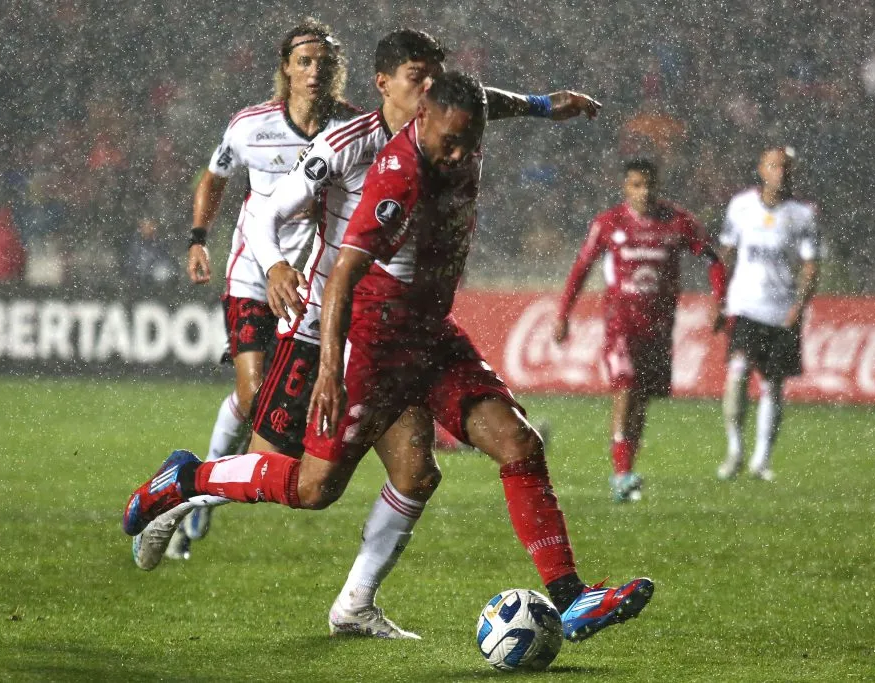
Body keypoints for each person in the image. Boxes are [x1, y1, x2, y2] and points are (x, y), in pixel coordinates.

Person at [124, 71, 653, 644]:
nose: (459, 154)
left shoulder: (461, 122)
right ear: (422, 117)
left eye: (469, 141)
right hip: (373, 345)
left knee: (516, 444)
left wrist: (546, 105)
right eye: (449, 141)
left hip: (430, 336)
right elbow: (344, 277)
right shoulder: (397, 178)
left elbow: (485, 100)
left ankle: (570, 598)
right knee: (313, 488)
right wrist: (329, 370)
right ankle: (187, 477)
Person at [177, 19, 358, 552]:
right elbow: (214, 177)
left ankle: (201, 488)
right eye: (304, 61)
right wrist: (197, 238)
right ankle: (202, 489)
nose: (314, 71)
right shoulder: (249, 127)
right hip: (254, 272)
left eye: (323, 62)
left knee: (281, 411)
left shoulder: (352, 127)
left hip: (312, 281)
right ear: (286, 68)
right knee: (255, 394)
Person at [554, 159, 725, 503]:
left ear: (658, 185)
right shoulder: (608, 223)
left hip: (659, 326)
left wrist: (720, 300)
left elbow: (713, 259)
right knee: (625, 389)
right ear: (625, 187)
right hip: (621, 324)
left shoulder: (678, 222)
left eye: (648, 185)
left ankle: (627, 467)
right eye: (636, 185)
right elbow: (581, 267)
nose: (643, 192)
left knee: (642, 399)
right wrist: (563, 314)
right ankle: (620, 475)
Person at [714, 146, 819, 481]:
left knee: (773, 385)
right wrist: (719, 299)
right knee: (739, 370)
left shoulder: (803, 215)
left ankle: (761, 460)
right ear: (761, 169)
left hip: (780, 309)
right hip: (745, 304)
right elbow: (726, 254)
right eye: (774, 166)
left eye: (786, 167)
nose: (781, 173)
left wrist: (799, 306)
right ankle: (734, 450)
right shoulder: (740, 206)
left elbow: (810, 266)